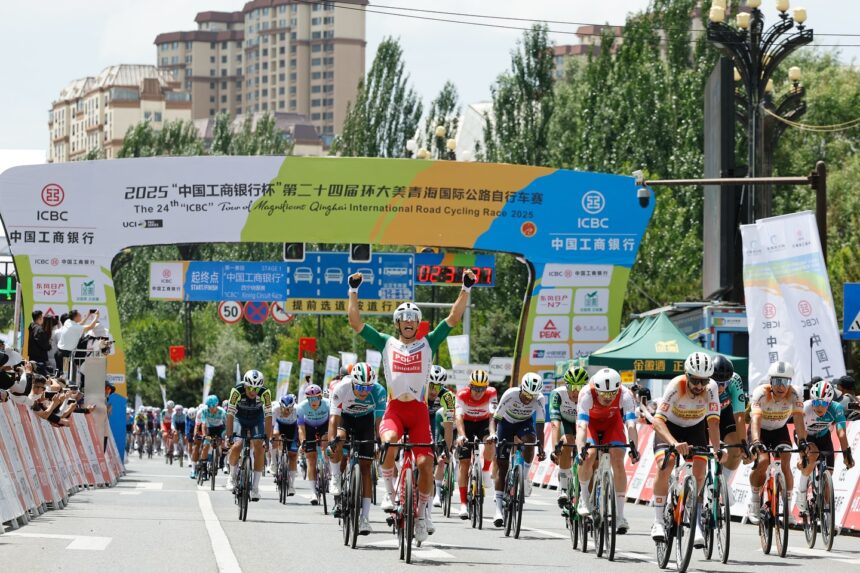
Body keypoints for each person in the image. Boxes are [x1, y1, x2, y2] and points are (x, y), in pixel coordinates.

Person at [347, 269, 474, 542]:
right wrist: (353, 291)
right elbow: (355, 322)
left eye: (412, 319)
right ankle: (390, 494)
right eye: (403, 319)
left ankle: (420, 515)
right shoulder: (386, 343)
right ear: (397, 323)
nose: (408, 322)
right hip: (394, 409)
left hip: (417, 412)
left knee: (426, 463)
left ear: (418, 324)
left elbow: (453, 318)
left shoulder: (428, 343)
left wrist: (465, 288)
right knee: (390, 442)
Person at [650, 351, 722, 545]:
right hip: (669, 429)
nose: (699, 386)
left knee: (700, 473)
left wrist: (716, 448)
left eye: (703, 381)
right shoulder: (676, 385)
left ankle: (695, 522)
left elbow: (713, 423)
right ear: (687, 375)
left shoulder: (712, 388)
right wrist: (673, 443)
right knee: (667, 464)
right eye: (695, 381)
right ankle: (657, 521)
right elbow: (657, 421)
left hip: (695, 428)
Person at [575, 368, 639, 534]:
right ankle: (583, 498)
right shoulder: (586, 394)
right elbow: (582, 426)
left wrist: (634, 447)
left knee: (618, 459)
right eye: (603, 394)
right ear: (596, 389)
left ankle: (620, 515)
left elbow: (631, 425)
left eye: (611, 394)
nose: (607, 397)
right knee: (589, 455)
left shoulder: (626, 394)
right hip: (591, 425)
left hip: (612, 424)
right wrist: (581, 449)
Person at [327, 362, 387, 534]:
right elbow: (333, 420)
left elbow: (379, 422)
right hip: (345, 419)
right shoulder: (341, 388)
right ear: (352, 382)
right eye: (360, 387)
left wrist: (380, 441)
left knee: (366, 469)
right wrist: (332, 442)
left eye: (367, 388)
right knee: (339, 439)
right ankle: (336, 477)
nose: (363, 391)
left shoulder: (378, 391)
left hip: (365, 421)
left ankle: (364, 519)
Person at [747, 360, 808, 523]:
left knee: (786, 461)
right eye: (777, 382)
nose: (781, 386)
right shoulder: (761, 392)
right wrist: (755, 441)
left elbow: (798, 420)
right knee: (764, 461)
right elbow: (756, 420)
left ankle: (787, 509)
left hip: (779, 430)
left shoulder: (795, 393)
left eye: (785, 382)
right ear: (771, 381)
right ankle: (754, 502)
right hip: (760, 430)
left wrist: (802, 442)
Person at [491, 372, 546, 527]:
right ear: (521, 388)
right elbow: (495, 419)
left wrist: (541, 446)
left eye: (532, 396)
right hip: (505, 424)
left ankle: (524, 476)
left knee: (531, 440)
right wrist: (493, 434)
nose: (529, 399)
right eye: (527, 394)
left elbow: (540, 424)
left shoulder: (540, 399)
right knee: (502, 466)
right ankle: (498, 509)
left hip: (524, 423)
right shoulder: (510, 394)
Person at [796, 380, 855, 513]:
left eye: (823, 403)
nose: (819, 407)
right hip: (806, 436)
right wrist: (802, 456)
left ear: (829, 402)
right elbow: (802, 433)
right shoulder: (806, 408)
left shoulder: (837, 408)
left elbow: (841, 432)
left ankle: (827, 512)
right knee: (813, 455)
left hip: (823, 436)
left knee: (829, 473)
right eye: (816, 402)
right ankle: (801, 491)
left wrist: (847, 454)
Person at [454, 368, 497, 519]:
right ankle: (463, 504)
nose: (478, 392)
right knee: (464, 463)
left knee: (491, 442)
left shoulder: (491, 392)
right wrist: (462, 436)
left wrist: (492, 433)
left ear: (486, 387)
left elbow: (492, 416)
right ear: (469, 386)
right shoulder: (462, 395)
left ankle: (485, 471)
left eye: (481, 389)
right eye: (475, 388)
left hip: (483, 423)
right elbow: (458, 418)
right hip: (467, 424)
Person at [226, 370, 273, 501]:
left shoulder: (265, 393)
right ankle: (231, 476)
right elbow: (229, 414)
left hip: (256, 420)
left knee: (259, 447)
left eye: (256, 388)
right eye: (251, 388)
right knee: (237, 445)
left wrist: (267, 439)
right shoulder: (236, 391)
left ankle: (255, 488)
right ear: (245, 385)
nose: (253, 391)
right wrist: (229, 436)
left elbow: (269, 416)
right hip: (239, 419)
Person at [550, 366, 588, 507]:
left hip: (582, 424)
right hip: (565, 423)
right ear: (566, 385)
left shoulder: (589, 394)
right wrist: (555, 448)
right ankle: (564, 488)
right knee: (567, 441)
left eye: (579, 386)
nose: (575, 391)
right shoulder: (558, 394)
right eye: (572, 386)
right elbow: (555, 424)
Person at [711, 356, 749, 481]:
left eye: (724, 384)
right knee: (703, 452)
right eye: (717, 384)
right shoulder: (703, 381)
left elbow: (739, 416)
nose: (721, 388)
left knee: (736, 450)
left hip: (725, 414)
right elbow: (712, 423)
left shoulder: (734, 380)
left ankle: (725, 486)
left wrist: (744, 444)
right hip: (704, 417)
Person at [296, 383, 330, 505]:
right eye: (310, 399)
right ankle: (313, 492)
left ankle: (327, 464)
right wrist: (303, 441)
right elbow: (300, 428)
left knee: (326, 441)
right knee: (311, 459)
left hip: (324, 425)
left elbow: (333, 422)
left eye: (316, 398)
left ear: (320, 397)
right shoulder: (301, 407)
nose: (313, 401)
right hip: (309, 427)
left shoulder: (328, 404)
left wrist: (329, 437)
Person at [428, 365, 456, 510]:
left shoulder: (448, 397)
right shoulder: (419, 391)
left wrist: (447, 448)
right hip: (420, 418)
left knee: (439, 454)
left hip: (437, 421)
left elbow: (449, 426)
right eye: (431, 385)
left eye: (438, 386)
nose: (434, 390)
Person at [271, 394, 299, 496]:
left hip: (293, 428)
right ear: (280, 406)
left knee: (293, 454)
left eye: (289, 409)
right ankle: (274, 463)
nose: (286, 412)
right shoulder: (275, 409)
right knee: (274, 436)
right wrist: (271, 439)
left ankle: (291, 485)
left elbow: (300, 426)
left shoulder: (297, 409)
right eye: (284, 409)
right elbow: (271, 425)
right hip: (280, 425)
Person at [198, 396, 227, 478]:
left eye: (212, 406)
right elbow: (203, 424)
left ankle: (222, 460)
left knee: (223, 442)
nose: (210, 408)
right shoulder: (204, 411)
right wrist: (204, 435)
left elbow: (227, 425)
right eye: (208, 406)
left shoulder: (222, 412)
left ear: (216, 405)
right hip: (209, 429)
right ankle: (204, 469)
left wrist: (226, 436)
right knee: (206, 446)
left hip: (220, 428)